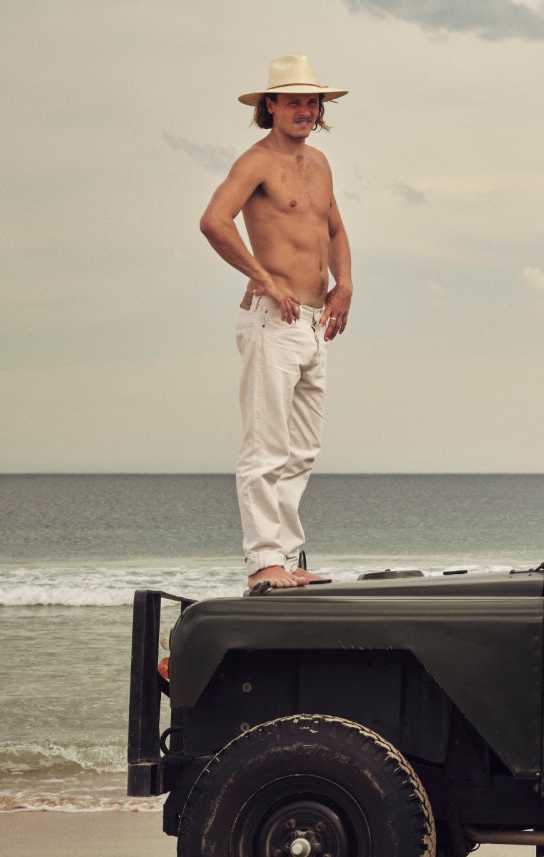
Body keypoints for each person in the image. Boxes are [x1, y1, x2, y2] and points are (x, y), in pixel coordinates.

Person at [199, 55, 354, 592]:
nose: (305, 110)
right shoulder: (256, 161)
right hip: (273, 320)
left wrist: (345, 285)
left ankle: (287, 558)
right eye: (293, 101)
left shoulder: (321, 163)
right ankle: (264, 563)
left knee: (302, 449)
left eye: (312, 102)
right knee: (266, 447)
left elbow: (334, 228)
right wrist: (263, 277)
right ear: (271, 106)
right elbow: (213, 221)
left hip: (314, 323)